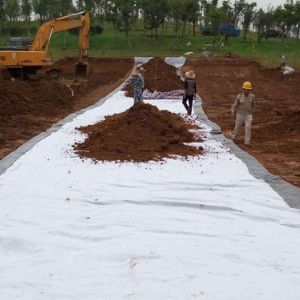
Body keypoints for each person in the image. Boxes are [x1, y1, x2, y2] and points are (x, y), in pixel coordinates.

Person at [231, 81, 256, 146]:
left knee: (248, 127)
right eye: (245, 89)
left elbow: (254, 105)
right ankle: (234, 137)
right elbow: (235, 105)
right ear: (243, 89)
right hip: (240, 114)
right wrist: (233, 111)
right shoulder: (239, 96)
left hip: (248, 115)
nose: (247, 90)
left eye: (248, 89)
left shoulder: (252, 97)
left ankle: (247, 142)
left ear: (250, 89)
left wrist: (252, 111)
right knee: (237, 127)